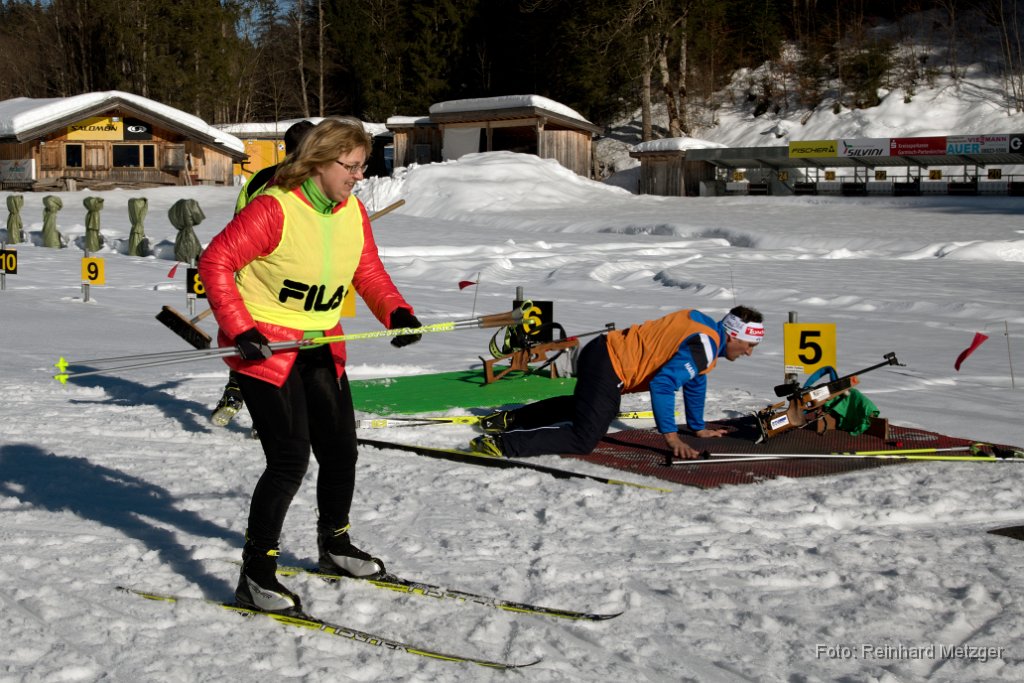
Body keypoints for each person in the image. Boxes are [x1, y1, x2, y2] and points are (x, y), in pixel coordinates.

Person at [199, 117, 422, 615]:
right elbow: (215, 262)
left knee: (341, 450)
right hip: (267, 348)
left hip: (321, 342)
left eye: (363, 166)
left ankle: (334, 545)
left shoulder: (351, 212)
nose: (359, 176)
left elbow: (366, 269)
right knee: (288, 461)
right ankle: (255, 577)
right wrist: (240, 328)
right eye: (351, 166)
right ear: (320, 161)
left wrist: (396, 311)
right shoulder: (274, 208)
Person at [470, 306, 764, 461]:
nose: (749, 352)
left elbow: (695, 379)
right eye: (749, 345)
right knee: (585, 438)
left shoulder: (705, 330)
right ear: (733, 335)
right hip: (608, 364)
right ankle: (501, 444)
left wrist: (698, 427)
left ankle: (508, 420)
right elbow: (663, 385)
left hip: (602, 353)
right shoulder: (706, 345)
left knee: (593, 409)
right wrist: (672, 438)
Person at [211, 119, 316, 428]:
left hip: (253, 275)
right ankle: (269, 415)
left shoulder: (259, 178)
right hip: (286, 278)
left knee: (255, 340)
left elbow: (238, 226)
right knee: (287, 345)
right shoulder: (308, 182)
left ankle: (237, 391)